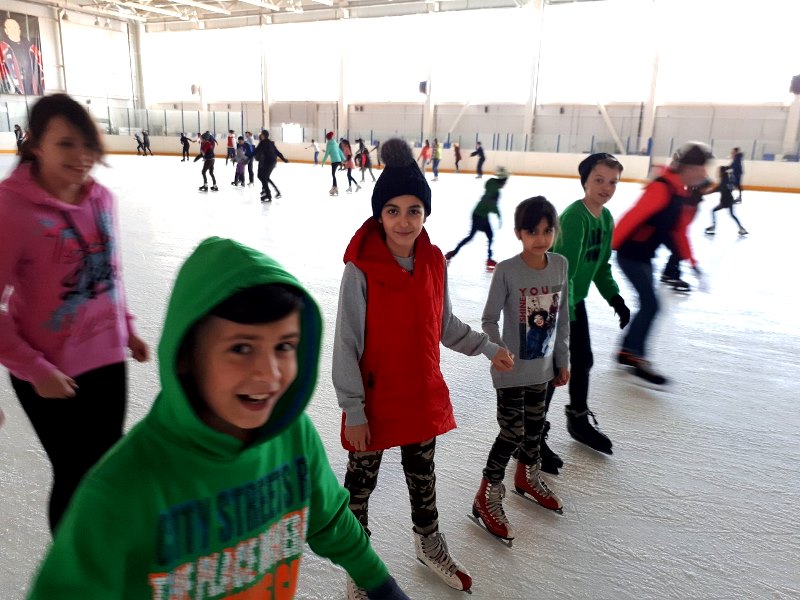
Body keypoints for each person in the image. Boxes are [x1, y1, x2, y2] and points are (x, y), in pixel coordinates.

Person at [26, 237, 410, 600]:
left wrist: (381, 584)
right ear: (185, 355)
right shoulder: (121, 490)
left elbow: (329, 521)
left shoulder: (294, 436)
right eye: (241, 348)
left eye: (284, 346)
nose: (270, 373)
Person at [332, 138, 514, 597]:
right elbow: (346, 344)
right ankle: (359, 564)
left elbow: (444, 324)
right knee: (360, 487)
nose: (404, 221)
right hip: (373, 402)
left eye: (414, 210)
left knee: (423, 479)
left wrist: (488, 347)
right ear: (379, 215)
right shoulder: (361, 270)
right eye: (393, 211)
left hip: (419, 393)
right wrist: (353, 410)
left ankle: (428, 544)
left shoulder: (433, 261)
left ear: (425, 214)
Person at [0, 93, 149, 533]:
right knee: (73, 472)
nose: (82, 156)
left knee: (106, 465)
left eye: (88, 144)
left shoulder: (101, 199)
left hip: (107, 359)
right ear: (35, 144)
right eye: (66, 143)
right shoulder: (10, 210)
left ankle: (104, 552)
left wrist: (126, 328)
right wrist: (34, 369)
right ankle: (71, 565)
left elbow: (110, 271)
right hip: (48, 370)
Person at [472, 196, 570, 542]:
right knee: (511, 433)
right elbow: (488, 319)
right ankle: (486, 493)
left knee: (534, 429)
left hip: (542, 370)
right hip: (511, 372)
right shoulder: (507, 270)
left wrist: (562, 359)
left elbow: (562, 318)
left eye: (547, 231)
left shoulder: (560, 265)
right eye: (532, 231)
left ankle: (526, 476)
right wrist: (498, 350)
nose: (541, 238)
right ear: (518, 233)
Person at [542, 154, 630, 468]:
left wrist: (615, 298)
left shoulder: (605, 219)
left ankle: (577, 420)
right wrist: (565, 319)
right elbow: (562, 273)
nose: (606, 187)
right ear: (585, 181)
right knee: (552, 370)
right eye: (599, 180)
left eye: (613, 182)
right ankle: (531, 435)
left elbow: (601, 266)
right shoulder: (574, 218)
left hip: (573, 300)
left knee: (583, 360)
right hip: (552, 302)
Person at [612, 141, 712, 386]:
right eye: (702, 168)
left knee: (650, 305)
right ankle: (635, 355)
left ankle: (627, 350)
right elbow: (631, 217)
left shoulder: (679, 193)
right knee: (651, 305)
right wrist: (606, 248)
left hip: (643, 256)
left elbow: (679, 232)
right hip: (630, 255)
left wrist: (693, 264)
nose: (705, 173)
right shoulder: (662, 188)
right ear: (689, 168)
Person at [444, 167, 509, 269]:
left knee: (471, 237)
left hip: (477, 213)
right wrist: (498, 215)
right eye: (505, 181)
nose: (506, 183)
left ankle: (452, 253)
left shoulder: (491, 183)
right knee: (489, 235)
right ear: (503, 181)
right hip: (481, 216)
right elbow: (491, 205)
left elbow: (488, 200)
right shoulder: (496, 192)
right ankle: (489, 259)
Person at [704, 165, 748, 236]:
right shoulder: (728, 179)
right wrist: (739, 196)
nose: (717, 173)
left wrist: (706, 192)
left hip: (725, 201)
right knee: (732, 214)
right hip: (730, 200)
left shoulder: (724, 181)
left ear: (722, 172)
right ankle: (741, 228)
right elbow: (734, 186)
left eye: (719, 171)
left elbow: (718, 188)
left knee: (713, 211)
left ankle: (713, 227)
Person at [254, 130, 288, 202]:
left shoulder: (268, 143)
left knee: (264, 177)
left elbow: (276, 152)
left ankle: (269, 193)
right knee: (263, 177)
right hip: (263, 162)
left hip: (268, 163)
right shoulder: (263, 143)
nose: (260, 137)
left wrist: (283, 159)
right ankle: (269, 191)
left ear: (264, 136)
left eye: (261, 135)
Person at [320, 131, 344, 196]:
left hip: (334, 161)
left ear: (327, 138)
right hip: (338, 160)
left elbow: (326, 154)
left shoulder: (329, 144)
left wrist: (323, 162)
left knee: (333, 174)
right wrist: (343, 159)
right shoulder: (335, 142)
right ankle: (334, 187)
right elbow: (338, 151)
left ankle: (335, 188)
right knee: (333, 174)